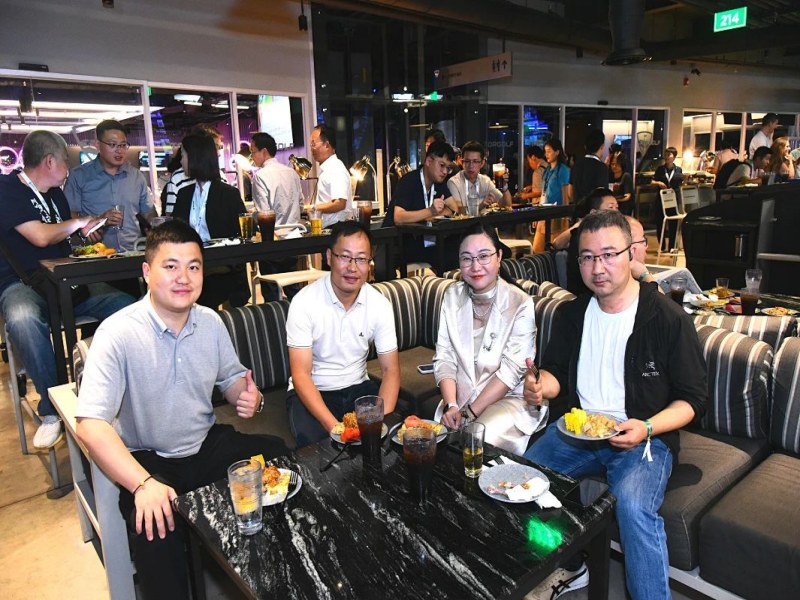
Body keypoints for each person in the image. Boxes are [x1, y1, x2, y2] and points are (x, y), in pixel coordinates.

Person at [74, 220, 287, 600]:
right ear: (147, 272)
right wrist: (142, 484)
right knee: (156, 527)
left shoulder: (210, 322)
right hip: (150, 461)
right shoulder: (117, 332)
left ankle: (274, 581)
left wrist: (246, 396)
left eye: (193, 266)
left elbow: (233, 378)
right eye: (170, 266)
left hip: (206, 446)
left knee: (281, 461)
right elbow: (90, 423)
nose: (183, 277)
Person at [523, 209, 707, 600]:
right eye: (588, 257)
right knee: (528, 479)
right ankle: (572, 565)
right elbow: (556, 375)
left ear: (631, 255)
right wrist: (540, 388)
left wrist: (647, 427)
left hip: (643, 438)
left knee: (634, 507)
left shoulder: (667, 318)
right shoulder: (572, 313)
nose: (598, 267)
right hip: (577, 432)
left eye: (608, 255)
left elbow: (693, 400)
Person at [0, 130, 135, 448]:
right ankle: (52, 410)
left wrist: (84, 234)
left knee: (128, 307)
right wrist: (78, 222)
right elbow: (39, 236)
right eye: (65, 161)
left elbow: (60, 238)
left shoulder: (56, 196)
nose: (68, 169)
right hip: (22, 284)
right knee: (22, 319)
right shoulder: (7, 189)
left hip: (65, 281)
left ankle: (116, 391)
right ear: (49, 161)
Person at [286, 220, 400, 447]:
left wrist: (380, 423)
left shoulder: (379, 304)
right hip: (315, 390)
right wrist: (336, 429)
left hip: (359, 389)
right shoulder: (304, 302)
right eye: (345, 257)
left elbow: (390, 370)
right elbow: (301, 375)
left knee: (394, 439)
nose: (352, 267)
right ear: (329, 257)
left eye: (361, 259)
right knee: (318, 450)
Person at [433, 224, 541, 455]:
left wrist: (470, 413)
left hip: (508, 398)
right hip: (460, 398)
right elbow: (444, 357)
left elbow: (511, 372)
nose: (475, 266)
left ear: (499, 256)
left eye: (484, 256)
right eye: (467, 259)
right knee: (435, 437)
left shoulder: (520, 303)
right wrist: (452, 404)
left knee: (478, 436)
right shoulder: (452, 296)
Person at [172, 131, 249, 308]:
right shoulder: (184, 194)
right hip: (192, 268)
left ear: (195, 157)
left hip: (222, 270)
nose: (181, 161)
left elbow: (241, 236)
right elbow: (177, 233)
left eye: (183, 155)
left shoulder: (228, 194)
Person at [65, 119, 157, 252]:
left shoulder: (136, 177)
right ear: (98, 145)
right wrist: (85, 227)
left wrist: (158, 227)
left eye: (123, 145)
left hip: (133, 251)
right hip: (96, 252)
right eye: (113, 145)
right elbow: (69, 214)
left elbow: (149, 213)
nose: (119, 151)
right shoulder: (79, 176)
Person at [382, 141, 460, 272]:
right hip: (399, 244)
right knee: (449, 254)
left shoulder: (439, 183)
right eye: (442, 165)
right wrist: (431, 211)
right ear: (429, 161)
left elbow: (454, 209)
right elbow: (398, 217)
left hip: (426, 241)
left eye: (448, 168)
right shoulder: (409, 181)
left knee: (457, 249)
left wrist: (432, 214)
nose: (445, 172)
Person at [250, 131, 304, 301]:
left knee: (271, 293)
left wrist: (252, 216)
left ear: (264, 151)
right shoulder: (292, 173)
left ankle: (275, 318)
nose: (252, 157)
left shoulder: (260, 177)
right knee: (293, 288)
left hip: (272, 241)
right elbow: (301, 204)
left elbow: (264, 213)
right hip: (293, 239)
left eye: (253, 152)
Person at [553, 187, 619, 296]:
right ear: (593, 213)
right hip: (588, 296)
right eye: (611, 208)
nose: (616, 213)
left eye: (617, 207)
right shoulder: (583, 238)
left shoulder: (613, 236)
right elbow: (557, 243)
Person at [161, 125, 225, 217]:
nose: (219, 153)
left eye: (219, 147)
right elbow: (172, 217)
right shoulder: (178, 179)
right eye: (216, 147)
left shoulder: (221, 176)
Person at [446, 140, 512, 215]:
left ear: (482, 163)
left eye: (475, 161)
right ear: (462, 162)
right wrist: (481, 205)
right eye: (467, 161)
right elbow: (458, 212)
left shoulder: (485, 181)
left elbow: (507, 206)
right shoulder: (453, 182)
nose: (471, 166)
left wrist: (504, 187)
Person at [309, 123, 353, 228]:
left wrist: (315, 208)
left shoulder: (335, 168)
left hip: (335, 227)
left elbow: (339, 203)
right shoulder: (328, 168)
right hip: (329, 227)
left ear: (327, 145)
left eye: (314, 144)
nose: (312, 149)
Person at [533, 139, 570, 253]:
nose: (546, 154)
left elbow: (565, 195)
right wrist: (537, 214)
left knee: (554, 248)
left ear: (557, 152)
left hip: (557, 213)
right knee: (536, 249)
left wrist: (565, 217)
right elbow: (543, 193)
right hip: (544, 211)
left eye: (549, 151)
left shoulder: (563, 170)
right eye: (545, 151)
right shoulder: (547, 170)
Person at [652, 147, 683, 252]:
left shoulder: (678, 169)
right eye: (665, 154)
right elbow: (652, 181)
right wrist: (658, 183)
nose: (666, 157)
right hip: (661, 199)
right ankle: (661, 246)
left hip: (673, 199)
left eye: (669, 155)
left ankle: (672, 246)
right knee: (660, 222)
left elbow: (680, 183)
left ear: (674, 157)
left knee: (673, 223)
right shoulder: (660, 169)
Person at [569, 129, 609, 208]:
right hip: (595, 212)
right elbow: (603, 196)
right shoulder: (602, 167)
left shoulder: (576, 165)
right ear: (602, 146)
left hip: (578, 210)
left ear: (585, 146)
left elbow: (570, 193)